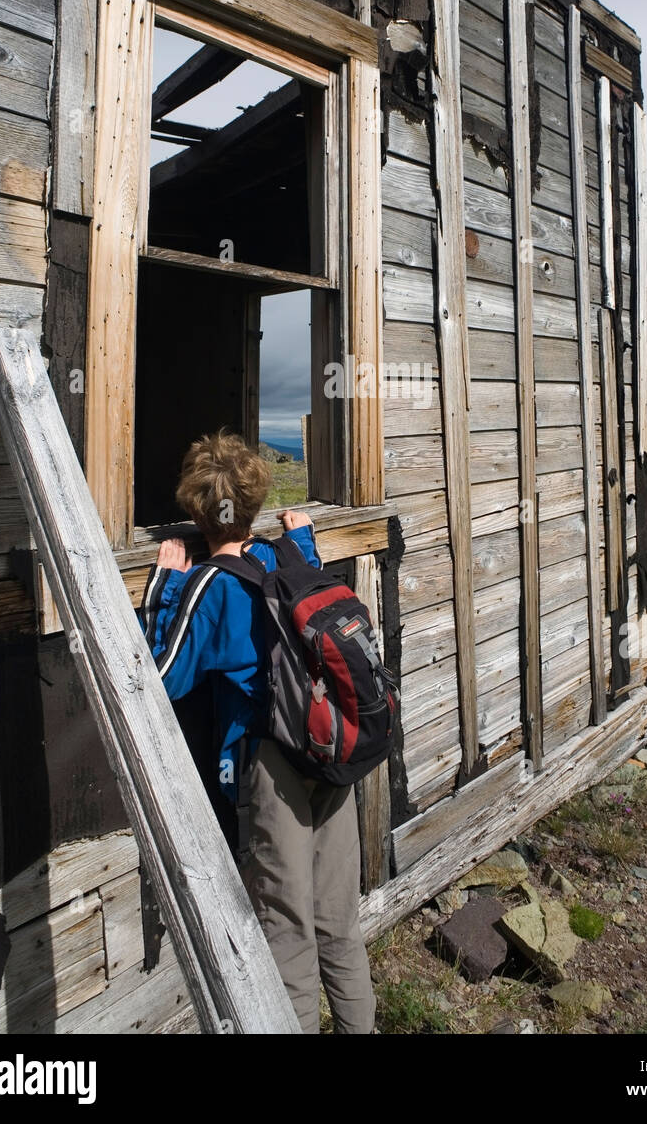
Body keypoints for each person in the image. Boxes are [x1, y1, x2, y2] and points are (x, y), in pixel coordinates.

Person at [140, 429, 376, 1035]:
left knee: (286, 930)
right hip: (328, 750)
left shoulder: (209, 588)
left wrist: (163, 591)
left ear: (196, 510)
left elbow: (161, 680)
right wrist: (299, 538)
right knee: (338, 923)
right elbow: (307, 601)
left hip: (271, 766)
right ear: (254, 501)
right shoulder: (282, 560)